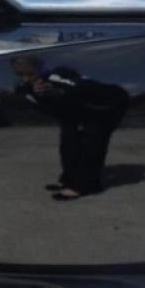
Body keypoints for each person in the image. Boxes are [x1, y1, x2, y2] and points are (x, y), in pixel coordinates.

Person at [11, 57, 129, 200]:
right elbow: (51, 110)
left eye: (30, 74)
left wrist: (58, 89)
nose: (25, 79)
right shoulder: (27, 89)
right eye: (20, 74)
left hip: (108, 106)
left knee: (92, 143)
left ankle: (87, 186)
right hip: (76, 111)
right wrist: (43, 96)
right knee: (68, 142)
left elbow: (85, 87)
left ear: (40, 68)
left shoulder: (58, 76)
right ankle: (69, 180)